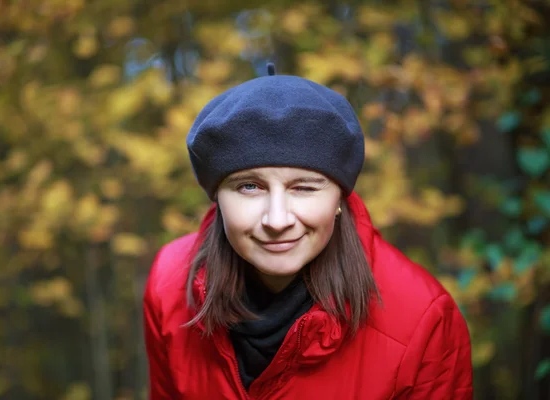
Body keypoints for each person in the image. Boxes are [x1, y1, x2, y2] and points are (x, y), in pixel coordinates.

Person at [143, 64, 473, 399]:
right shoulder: (168, 285)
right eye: (249, 187)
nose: (277, 219)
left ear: (340, 197)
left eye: (304, 188)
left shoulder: (423, 318)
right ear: (217, 198)